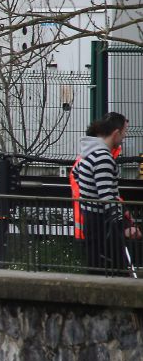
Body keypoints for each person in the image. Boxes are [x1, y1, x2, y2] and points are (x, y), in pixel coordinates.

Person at [71, 112, 139, 274]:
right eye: (124, 132)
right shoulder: (103, 158)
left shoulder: (87, 154)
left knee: (97, 268)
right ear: (115, 133)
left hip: (91, 220)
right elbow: (107, 197)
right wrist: (124, 226)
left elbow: (77, 175)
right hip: (104, 226)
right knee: (114, 270)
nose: (124, 137)